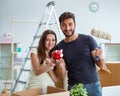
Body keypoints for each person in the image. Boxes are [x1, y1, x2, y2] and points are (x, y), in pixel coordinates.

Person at [55, 12, 110, 96]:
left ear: (75, 24)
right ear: (60, 26)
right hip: (74, 86)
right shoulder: (59, 47)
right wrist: (59, 65)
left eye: (70, 24)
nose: (67, 28)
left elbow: (101, 65)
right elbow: (62, 76)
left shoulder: (88, 40)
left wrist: (100, 57)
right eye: (64, 25)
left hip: (93, 85)